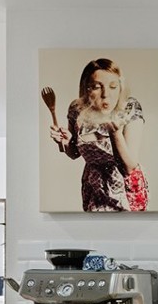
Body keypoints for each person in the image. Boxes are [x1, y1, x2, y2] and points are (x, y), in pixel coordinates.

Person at [49, 58, 148, 211]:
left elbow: (129, 168)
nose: (105, 94)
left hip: (125, 191)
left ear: (120, 88)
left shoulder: (129, 108)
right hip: (92, 190)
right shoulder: (77, 110)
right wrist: (66, 142)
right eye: (96, 87)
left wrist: (115, 134)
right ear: (86, 89)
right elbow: (74, 153)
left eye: (113, 86)